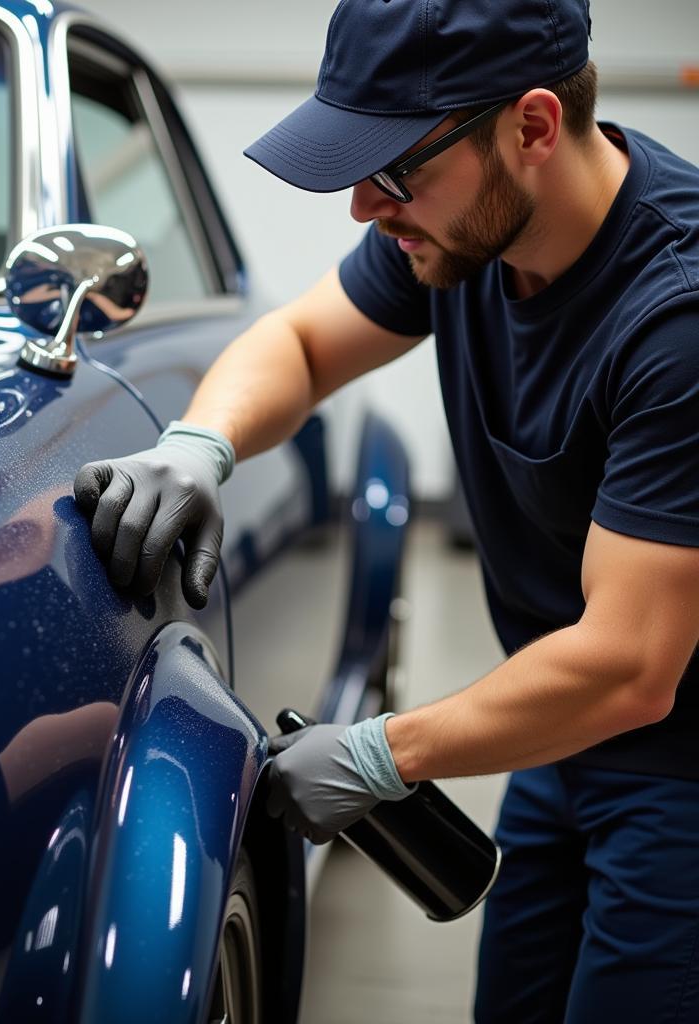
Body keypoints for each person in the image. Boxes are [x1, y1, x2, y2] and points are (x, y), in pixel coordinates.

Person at [73, 0, 699, 1019]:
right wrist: (199, 443)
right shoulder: (463, 232)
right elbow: (305, 345)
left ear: (532, 127)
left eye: (395, 169)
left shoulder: (674, 319)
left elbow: (630, 665)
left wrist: (383, 750)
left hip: (675, 762)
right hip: (561, 732)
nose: (366, 207)